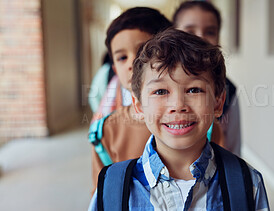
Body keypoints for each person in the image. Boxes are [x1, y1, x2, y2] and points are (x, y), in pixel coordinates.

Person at [88, 28, 269, 210]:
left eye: (194, 90)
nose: (178, 105)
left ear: (218, 103)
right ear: (139, 105)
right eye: (160, 91)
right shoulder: (112, 188)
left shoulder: (248, 184)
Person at [88, 7, 225, 193]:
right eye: (122, 57)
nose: (132, 64)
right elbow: (103, 195)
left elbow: (226, 180)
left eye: (143, 52)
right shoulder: (104, 131)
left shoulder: (204, 126)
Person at [173, 1, 242, 156]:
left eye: (210, 32)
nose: (200, 38)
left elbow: (234, 147)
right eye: (190, 31)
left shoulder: (228, 91)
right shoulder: (155, 86)